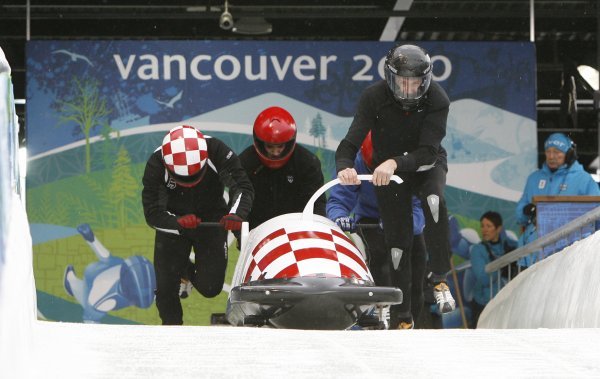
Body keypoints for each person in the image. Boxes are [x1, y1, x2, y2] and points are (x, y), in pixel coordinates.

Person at [335, 44, 456, 318]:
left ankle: (438, 278)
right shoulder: (373, 97)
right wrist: (344, 167)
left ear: (425, 81)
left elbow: (427, 151)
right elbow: (350, 142)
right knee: (398, 243)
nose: (409, 89)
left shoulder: (438, 99)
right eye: (403, 82)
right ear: (391, 79)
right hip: (388, 171)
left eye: (415, 83)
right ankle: (403, 317)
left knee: (434, 200)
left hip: (426, 165)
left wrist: (394, 163)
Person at [142, 125, 254, 325]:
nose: (191, 183)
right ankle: (171, 331)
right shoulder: (156, 164)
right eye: (184, 178)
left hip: (211, 221)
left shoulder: (217, 150)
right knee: (166, 288)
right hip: (174, 222)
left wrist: (236, 215)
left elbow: (242, 186)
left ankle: (185, 269)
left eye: (194, 176)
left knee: (210, 288)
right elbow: (152, 213)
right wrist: (176, 222)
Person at [327, 132, 426, 329]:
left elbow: (419, 209)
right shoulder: (355, 163)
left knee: (417, 260)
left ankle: (410, 320)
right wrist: (340, 218)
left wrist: (401, 223)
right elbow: (338, 200)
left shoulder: (409, 166)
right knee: (379, 255)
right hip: (370, 220)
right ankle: (380, 313)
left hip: (403, 218)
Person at [515, 132, 600, 267]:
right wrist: (527, 210)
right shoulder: (534, 178)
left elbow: (597, 213)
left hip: (569, 254)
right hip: (534, 253)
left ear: (569, 154)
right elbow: (519, 214)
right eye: (548, 152)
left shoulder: (584, 179)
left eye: (557, 152)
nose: (552, 156)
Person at [238, 106, 326, 229]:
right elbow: (239, 202)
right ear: (260, 143)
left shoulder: (307, 163)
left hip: (297, 228)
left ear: (289, 143)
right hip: (258, 230)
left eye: (280, 146)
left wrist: (314, 231)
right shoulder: (245, 163)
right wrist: (244, 236)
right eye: (270, 147)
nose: (275, 152)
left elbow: (317, 203)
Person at [469, 211, 517, 328]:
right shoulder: (477, 250)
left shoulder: (510, 246)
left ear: (498, 228)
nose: (484, 230)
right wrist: (501, 265)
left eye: (488, 226)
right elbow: (483, 278)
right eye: (482, 226)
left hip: (505, 301)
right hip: (484, 303)